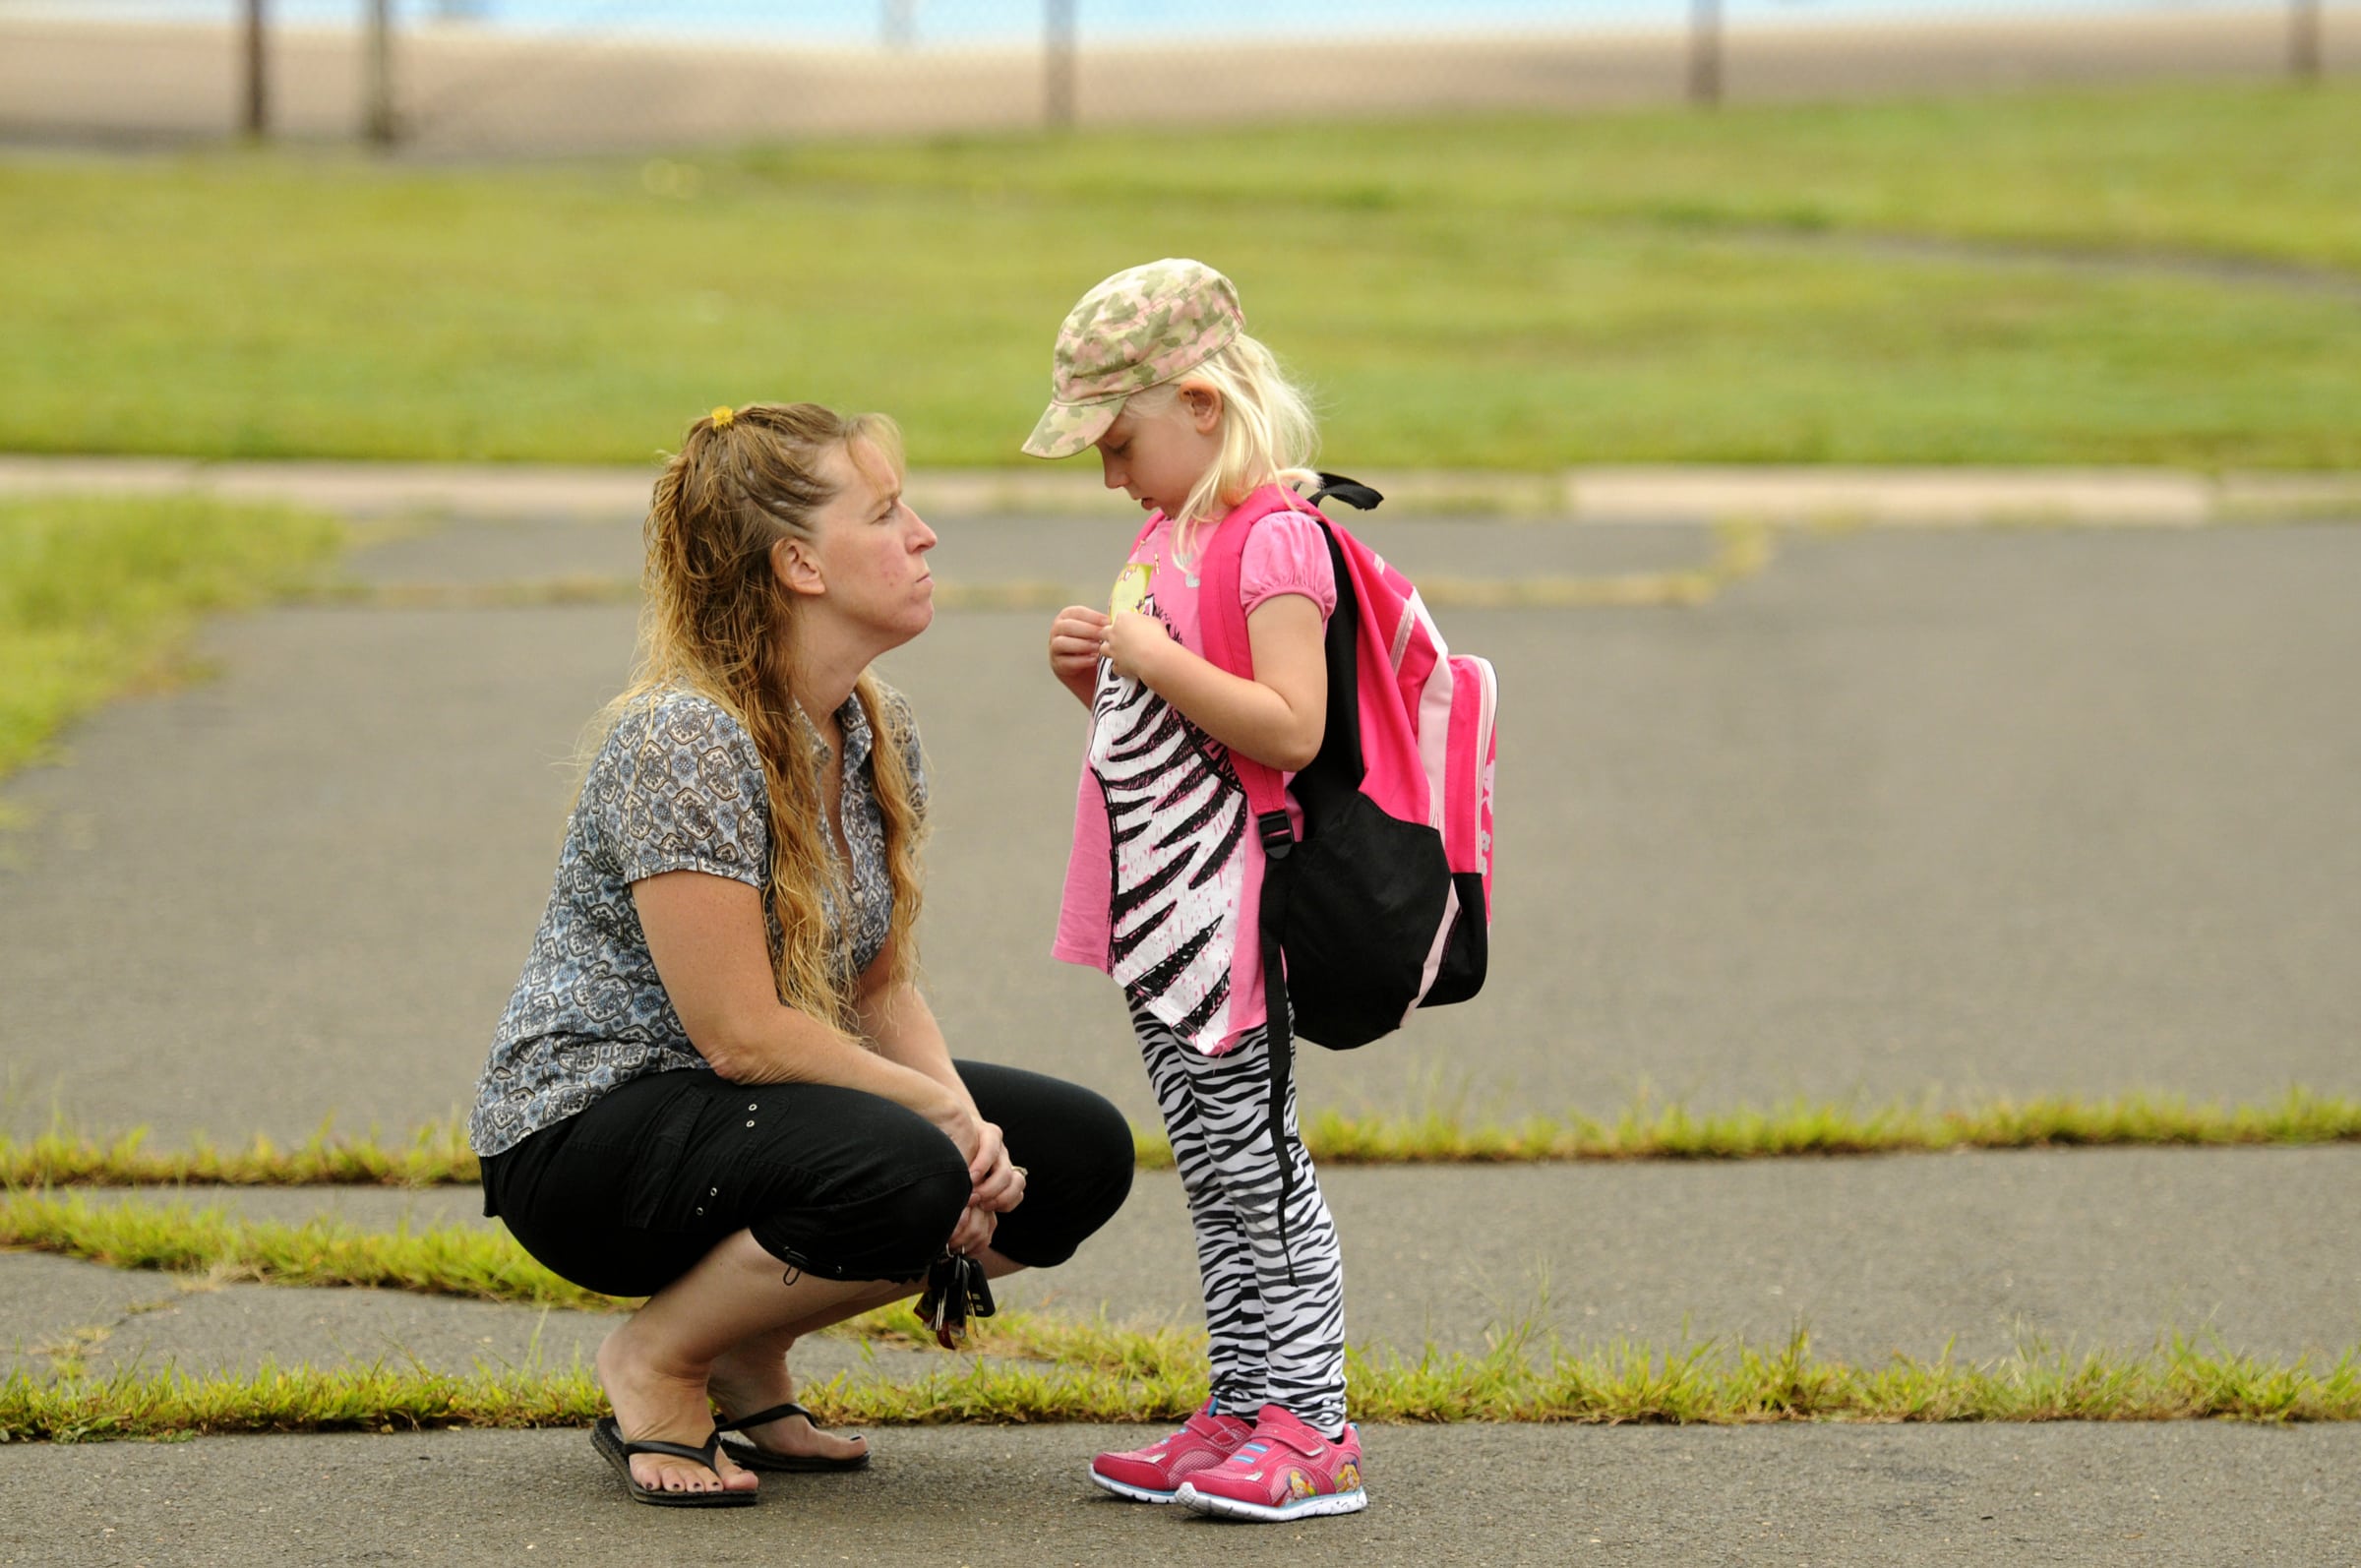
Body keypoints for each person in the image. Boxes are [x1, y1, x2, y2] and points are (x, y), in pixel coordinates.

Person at [467, 400, 1134, 1508]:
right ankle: (659, 1360)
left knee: (1072, 1156)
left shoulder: (873, 723)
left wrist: (965, 1124)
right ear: (798, 564)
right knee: (910, 1164)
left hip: (747, 1113)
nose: (924, 533)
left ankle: (745, 1352)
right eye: (886, 512)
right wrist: (941, 1119)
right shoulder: (682, 736)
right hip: (588, 1130)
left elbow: (877, 985)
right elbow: (739, 1034)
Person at [1024, 260, 1366, 1522]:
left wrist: (1153, 654)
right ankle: (1238, 1405)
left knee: (1262, 1166)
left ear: (1205, 405)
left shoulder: (1276, 537)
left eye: (1121, 442)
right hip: (1160, 911)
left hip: (1236, 915)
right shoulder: (1168, 535)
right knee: (1214, 1170)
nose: (1112, 474)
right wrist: (1098, 677)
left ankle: (1314, 1428)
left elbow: (1286, 728)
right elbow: (1167, 733)